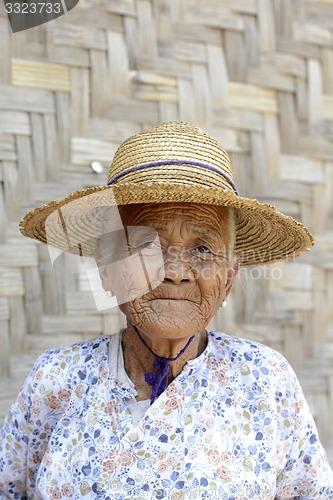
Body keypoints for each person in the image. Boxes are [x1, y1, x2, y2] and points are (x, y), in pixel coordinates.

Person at [0, 122, 332, 499]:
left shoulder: (266, 379)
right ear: (107, 270)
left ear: (228, 277)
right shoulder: (55, 378)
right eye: (145, 245)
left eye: (203, 248)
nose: (174, 272)